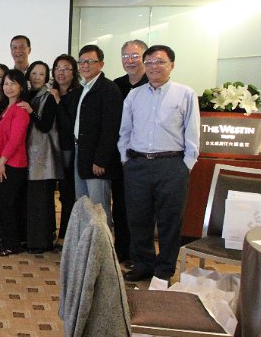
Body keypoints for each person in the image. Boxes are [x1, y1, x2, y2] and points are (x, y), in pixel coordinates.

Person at [119, 45, 200, 282]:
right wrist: (126, 159)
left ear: (171, 65)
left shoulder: (185, 94)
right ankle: (142, 264)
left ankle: (164, 269)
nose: (154, 66)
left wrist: (185, 166)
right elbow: (125, 131)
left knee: (169, 220)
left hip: (171, 165)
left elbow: (193, 133)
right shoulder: (134, 95)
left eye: (160, 62)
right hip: (137, 164)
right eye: (150, 62)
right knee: (138, 219)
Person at [73, 45, 123, 229]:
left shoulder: (108, 89)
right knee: (83, 205)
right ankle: (88, 245)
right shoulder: (83, 88)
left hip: (97, 160)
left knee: (99, 210)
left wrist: (101, 160)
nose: (85, 65)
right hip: (81, 153)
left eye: (90, 61)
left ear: (101, 64)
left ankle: (102, 247)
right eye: (81, 62)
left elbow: (111, 128)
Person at [112, 39, 149, 263]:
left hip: (145, 158)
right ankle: (122, 250)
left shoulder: (152, 85)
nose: (130, 61)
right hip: (121, 156)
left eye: (135, 56)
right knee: (120, 206)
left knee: (141, 210)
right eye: (126, 56)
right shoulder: (116, 85)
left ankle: (140, 256)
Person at [22, 60, 62, 253]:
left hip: (44, 156)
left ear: (47, 77)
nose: (37, 77)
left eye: (41, 74)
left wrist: (31, 112)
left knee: (42, 200)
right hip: (29, 154)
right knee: (32, 200)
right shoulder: (28, 95)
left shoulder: (49, 97)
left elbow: (45, 126)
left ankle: (41, 242)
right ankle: (33, 239)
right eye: (34, 73)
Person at [0, 69, 30, 257]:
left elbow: (16, 139)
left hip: (13, 164)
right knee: (4, 204)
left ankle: (11, 245)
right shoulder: (7, 107)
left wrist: (2, 162)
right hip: (5, 162)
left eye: (13, 83)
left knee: (6, 205)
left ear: (21, 86)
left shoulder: (21, 109)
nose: (8, 87)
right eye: (6, 83)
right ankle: (9, 241)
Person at [50, 54, 81, 242]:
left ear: (73, 72)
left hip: (68, 149)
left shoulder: (78, 94)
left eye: (66, 69)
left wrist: (57, 100)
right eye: (58, 68)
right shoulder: (50, 92)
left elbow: (69, 125)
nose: (61, 73)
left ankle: (66, 236)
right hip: (51, 149)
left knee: (68, 194)